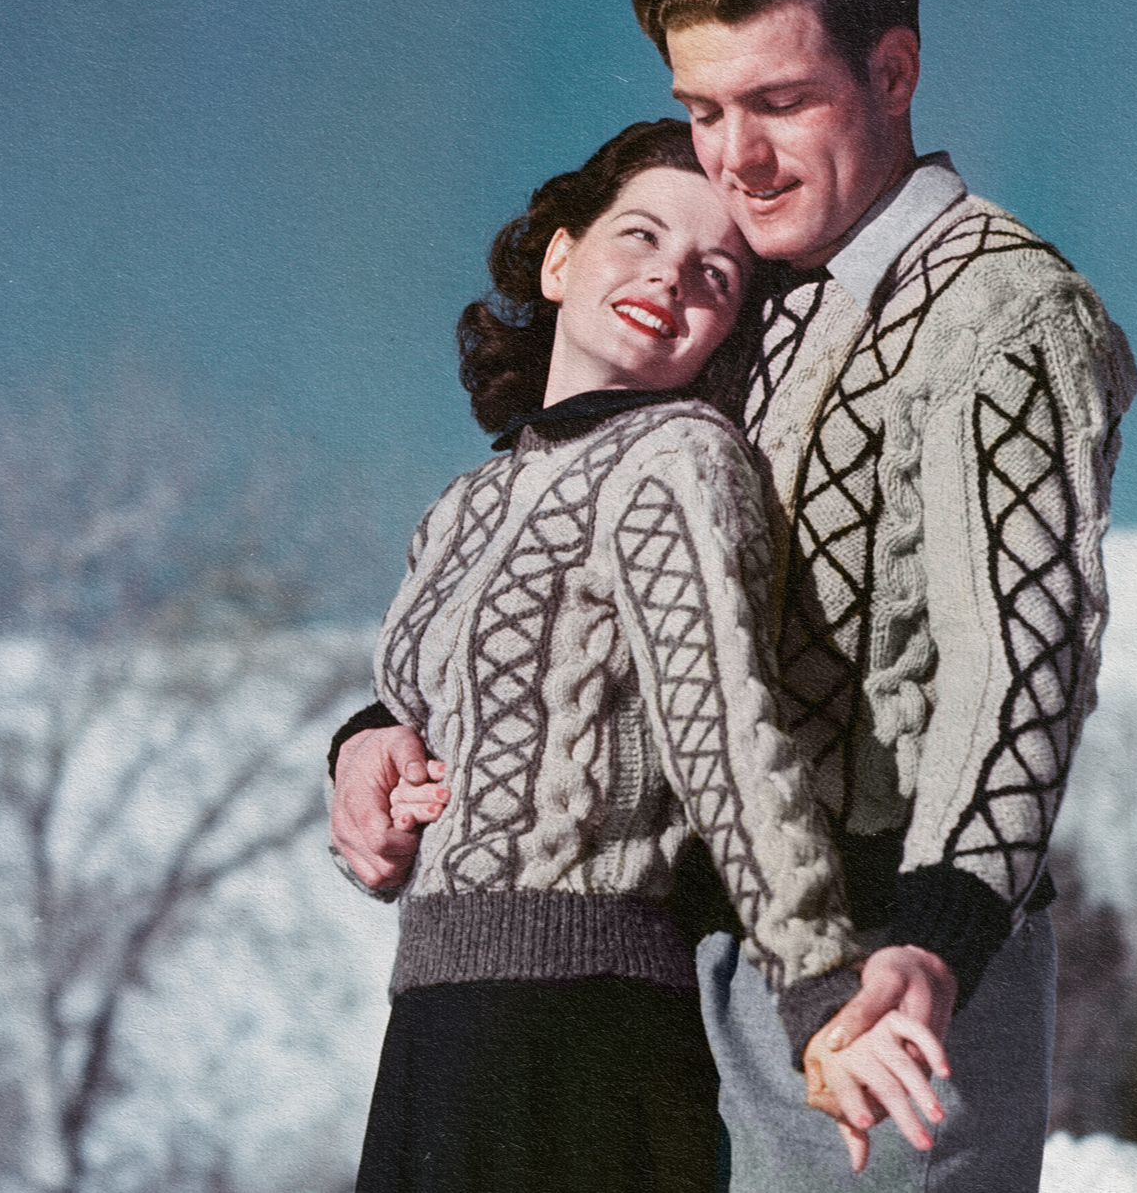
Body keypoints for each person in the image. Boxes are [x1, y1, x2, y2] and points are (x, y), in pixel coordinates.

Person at [338, 0, 1137, 1189]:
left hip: (890, 962)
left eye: (780, 102)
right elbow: (587, 582)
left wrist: (934, 942)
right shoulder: (747, 299)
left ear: (893, 71)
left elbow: (1018, 668)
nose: (737, 158)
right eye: (703, 110)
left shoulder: (1002, 314)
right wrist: (379, 727)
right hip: (693, 977)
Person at [346, 118, 949, 1193]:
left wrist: (818, 987)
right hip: (438, 1015)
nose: (671, 276)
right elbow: (420, 710)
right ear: (560, 259)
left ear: (726, 330)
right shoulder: (463, 505)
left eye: (715, 273)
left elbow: (725, 728)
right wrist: (361, 745)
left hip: (588, 1028)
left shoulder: (678, 458)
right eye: (641, 235)